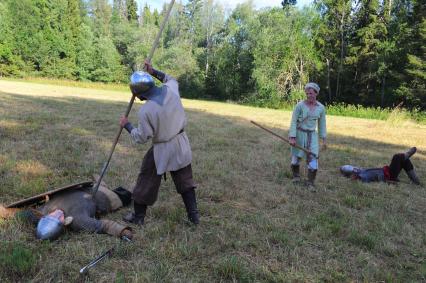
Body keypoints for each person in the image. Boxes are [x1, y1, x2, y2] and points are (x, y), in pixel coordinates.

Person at [120, 60, 199, 226]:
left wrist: (127, 125)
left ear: (139, 95)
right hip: (180, 143)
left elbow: (141, 138)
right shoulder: (172, 89)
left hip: (162, 148)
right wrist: (153, 71)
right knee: (185, 180)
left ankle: (138, 217)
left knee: (146, 179)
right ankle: (194, 218)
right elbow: (170, 78)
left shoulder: (146, 111)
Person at [0, 177, 133, 240]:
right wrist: (122, 231)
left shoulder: (43, 213)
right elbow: (104, 226)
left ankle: (101, 181)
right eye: (59, 220)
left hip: (85, 187)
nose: (57, 215)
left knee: (99, 180)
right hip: (106, 197)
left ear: (45, 217)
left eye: (52, 217)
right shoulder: (78, 221)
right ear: (64, 224)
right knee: (128, 195)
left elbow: (23, 214)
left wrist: (5, 212)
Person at [288, 82, 327, 188]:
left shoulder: (321, 108)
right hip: (299, 135)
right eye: (307, 93)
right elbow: (293, 121)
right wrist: (292, 137)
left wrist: (324, 140)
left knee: (313, 158)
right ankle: (296, 176)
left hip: (312, 136)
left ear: (316, 93)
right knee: (296, 158)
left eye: (311, 93)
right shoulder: (299, 106)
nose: (309, 95)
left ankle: (310, 182)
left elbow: (322, 124)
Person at [340, 147, 421, 185]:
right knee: (397, 157)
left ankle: (415, 180)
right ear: (352, 173)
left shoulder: (363, 171)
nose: (354, 168)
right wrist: (392, 182)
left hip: (387, 171)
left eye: (352, 167)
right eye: (352, 169)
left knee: (405, 161)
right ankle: (406, 155)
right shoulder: (362, 175)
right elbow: (378, 179)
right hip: (389, 175)